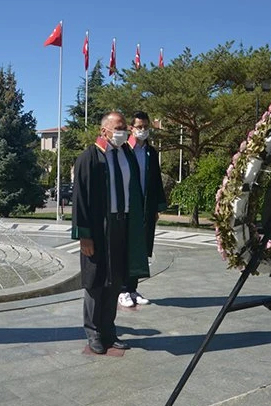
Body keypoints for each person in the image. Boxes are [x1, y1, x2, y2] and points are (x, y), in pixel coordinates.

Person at [71, 111, 146, 354]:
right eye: (119, 127)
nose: (123, 132)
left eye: (125, 127)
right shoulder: (90, 157)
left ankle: (109, 331)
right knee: (96, 281)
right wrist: (84, 235)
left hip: (122, 224)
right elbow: (80, 199)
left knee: (115, 281)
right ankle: (93, 332)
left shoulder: (127, 155)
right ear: (104, 131)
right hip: (98, 228)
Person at [118, 111, 168, 307]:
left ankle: (133, 288)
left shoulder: (151, 152)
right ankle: (122, 290)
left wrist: (157, 208)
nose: (143, 130)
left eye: (146, 127)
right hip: (128, 208)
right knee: (126, 249)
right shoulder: (123, 150)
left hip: (146, 207)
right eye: (139, 127)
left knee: (141, 249)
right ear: (131, 128)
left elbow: (156, 181)